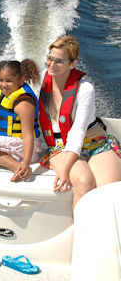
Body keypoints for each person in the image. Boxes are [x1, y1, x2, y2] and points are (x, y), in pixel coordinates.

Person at [38, 35, 121, 208]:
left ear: (73, 64)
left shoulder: (85, 89)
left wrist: (65, 170)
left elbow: (78, 132)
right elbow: (23, 99)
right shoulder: (41, 79)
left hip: (95, 143)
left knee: (110, 193)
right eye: (50, 58)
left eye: (59, 61)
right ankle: (82, 233)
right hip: (61, 146)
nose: (52, 64)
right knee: (84, 182)